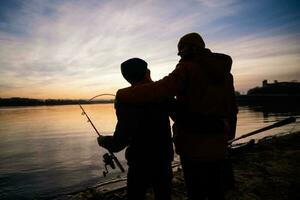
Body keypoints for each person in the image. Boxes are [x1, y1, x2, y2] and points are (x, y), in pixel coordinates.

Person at [116, 33, 238, 200]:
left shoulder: (187, 68)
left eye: (180, 52)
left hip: (193, 142)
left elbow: (160, 90)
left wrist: (122, 94)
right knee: (216, 189)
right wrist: (228, 134)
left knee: (196, 191)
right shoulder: (226, 74)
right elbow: (232, 108)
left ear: (187, 49)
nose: (180, 56)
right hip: (218, 141)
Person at [98, 58, 174, 200]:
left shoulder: (125, 100)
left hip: (139, 162)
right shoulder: (162, 93)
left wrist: (103, 141)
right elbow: (181, 116)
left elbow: (119, 142)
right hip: (162, 160)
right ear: (146, 72)